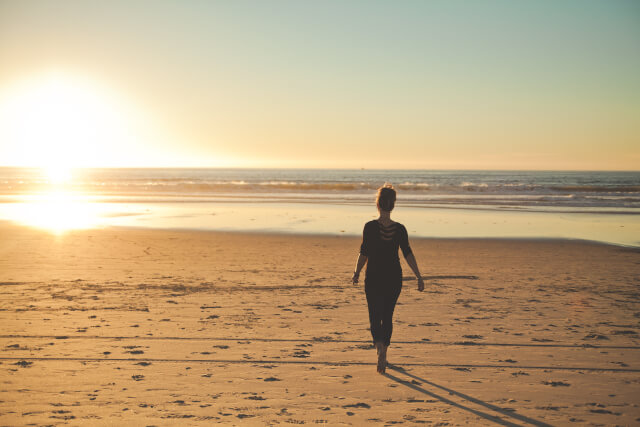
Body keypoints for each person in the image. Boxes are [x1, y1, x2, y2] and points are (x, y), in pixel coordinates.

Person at [351, 183, 424, 374]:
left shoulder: (369, 227)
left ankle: (379, 347)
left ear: (378, 204)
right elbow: (408, 254)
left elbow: (363, 253)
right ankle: (385, 350)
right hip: (393, 278)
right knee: (388, 315)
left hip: (373, 277)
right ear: (393, 205)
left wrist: (356, 272)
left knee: (375, 316)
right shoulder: (400, 229)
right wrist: (418, 276)